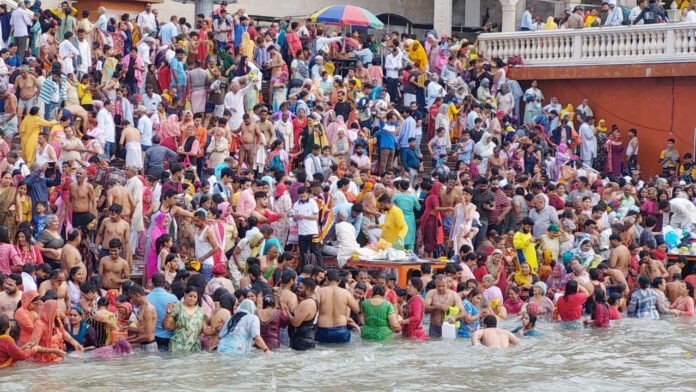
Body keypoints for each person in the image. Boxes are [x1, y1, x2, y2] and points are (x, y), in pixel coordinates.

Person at [315, 269, 361, 344]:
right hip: (341, 331)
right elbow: (357, 310)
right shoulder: (345, 293)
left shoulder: (320, 292)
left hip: (323, 330)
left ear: (326, 279)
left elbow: (313, 308)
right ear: (339, 281)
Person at [163, 286, 207, 352]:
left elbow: (205, 330)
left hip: (194, 347)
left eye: (195, 297)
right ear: (185, 295)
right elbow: (166, 326)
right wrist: (168, 314)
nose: (192, 299)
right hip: (177, 346)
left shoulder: (200, 311)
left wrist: (215, 330)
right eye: (190, 296)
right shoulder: (178, 307)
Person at [146, 273, 178, 351]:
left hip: (152, 337)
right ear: (164, 283)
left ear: (152, 283)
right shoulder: (173, 298)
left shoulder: (146, 299)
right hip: (169, 336)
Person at [286, 278, 318, 351]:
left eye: (301, 288)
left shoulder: (307, 303)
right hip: (308, 340)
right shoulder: (314, 300)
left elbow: (295, 323)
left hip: (301, 343)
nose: (298, 289)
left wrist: (287, 311)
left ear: (308, 289)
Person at [127, 284, 158, 353]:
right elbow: (141, 331)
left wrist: (127, 341)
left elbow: (147, 336)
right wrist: (126, 339)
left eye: (132, 297)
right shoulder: (141, 307)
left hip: (149, 346)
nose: (131, 301)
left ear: (137, 295)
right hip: (143, 345)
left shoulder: (148, 309)